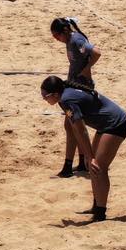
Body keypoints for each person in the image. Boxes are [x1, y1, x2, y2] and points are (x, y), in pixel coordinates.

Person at [40, 75, 126, 221]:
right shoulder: (63, 97)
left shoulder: (67, 99)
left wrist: (90, 156)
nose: (44, 98)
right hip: (105, 124)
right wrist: (89, 157)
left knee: (98, 167)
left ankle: (100, 213)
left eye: (45, 96)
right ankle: (97, 206)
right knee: (91, 165)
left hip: (116, 124)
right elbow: (76, 129)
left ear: (55, 94)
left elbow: (81, 130)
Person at [50, 17, 100, 177]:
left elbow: (97, 53)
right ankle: (78, 163)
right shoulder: (69, 40)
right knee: (71, 127)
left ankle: (70, 165)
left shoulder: (76, 40)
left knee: (73, 127)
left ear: (64, 31)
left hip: (81, 88)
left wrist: (86, 69)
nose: (56, 39)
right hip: (74, 85)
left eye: (56, 36)